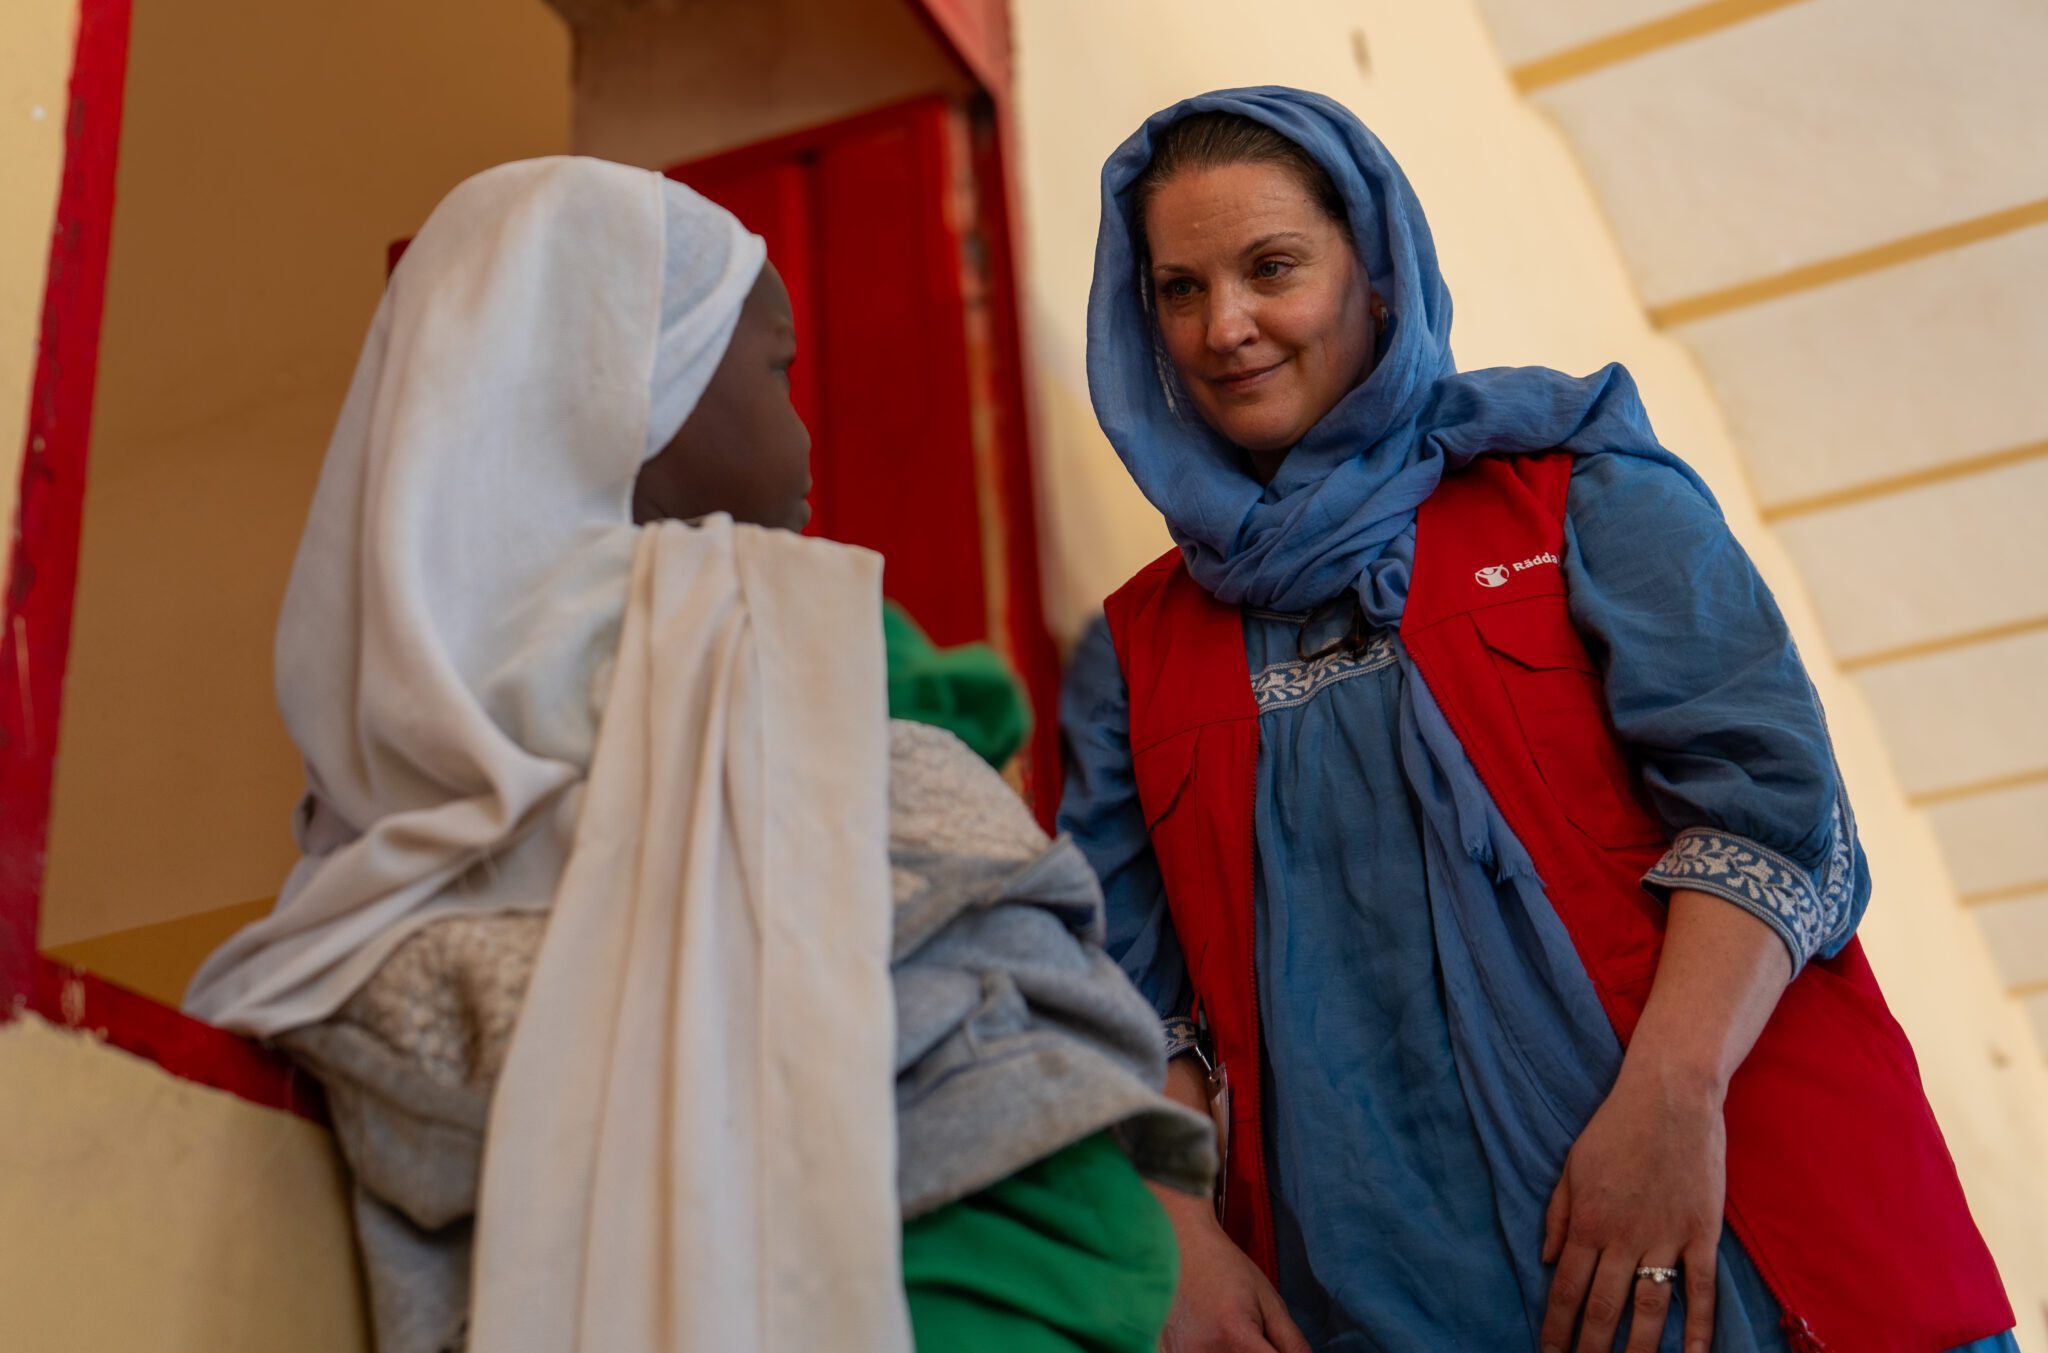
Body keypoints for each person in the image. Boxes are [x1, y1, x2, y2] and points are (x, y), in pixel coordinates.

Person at [184, 156, 1207, 1353]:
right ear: (622, 391)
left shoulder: (374, 790)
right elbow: (1023, 991)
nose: (803, 431)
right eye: (775, 371)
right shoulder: (796, 636)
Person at [1059, 87, 2017, 1353]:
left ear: (1376, 277)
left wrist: (1668, 1105)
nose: (1222, 327)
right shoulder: (1134, 653)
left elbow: (1775, 819)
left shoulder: (1580, 491)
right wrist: (1174, 1230)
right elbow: (1115, 987)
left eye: (1270, 268)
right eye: (1178, 290)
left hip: (1740, 1240)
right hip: (1386, 1303)